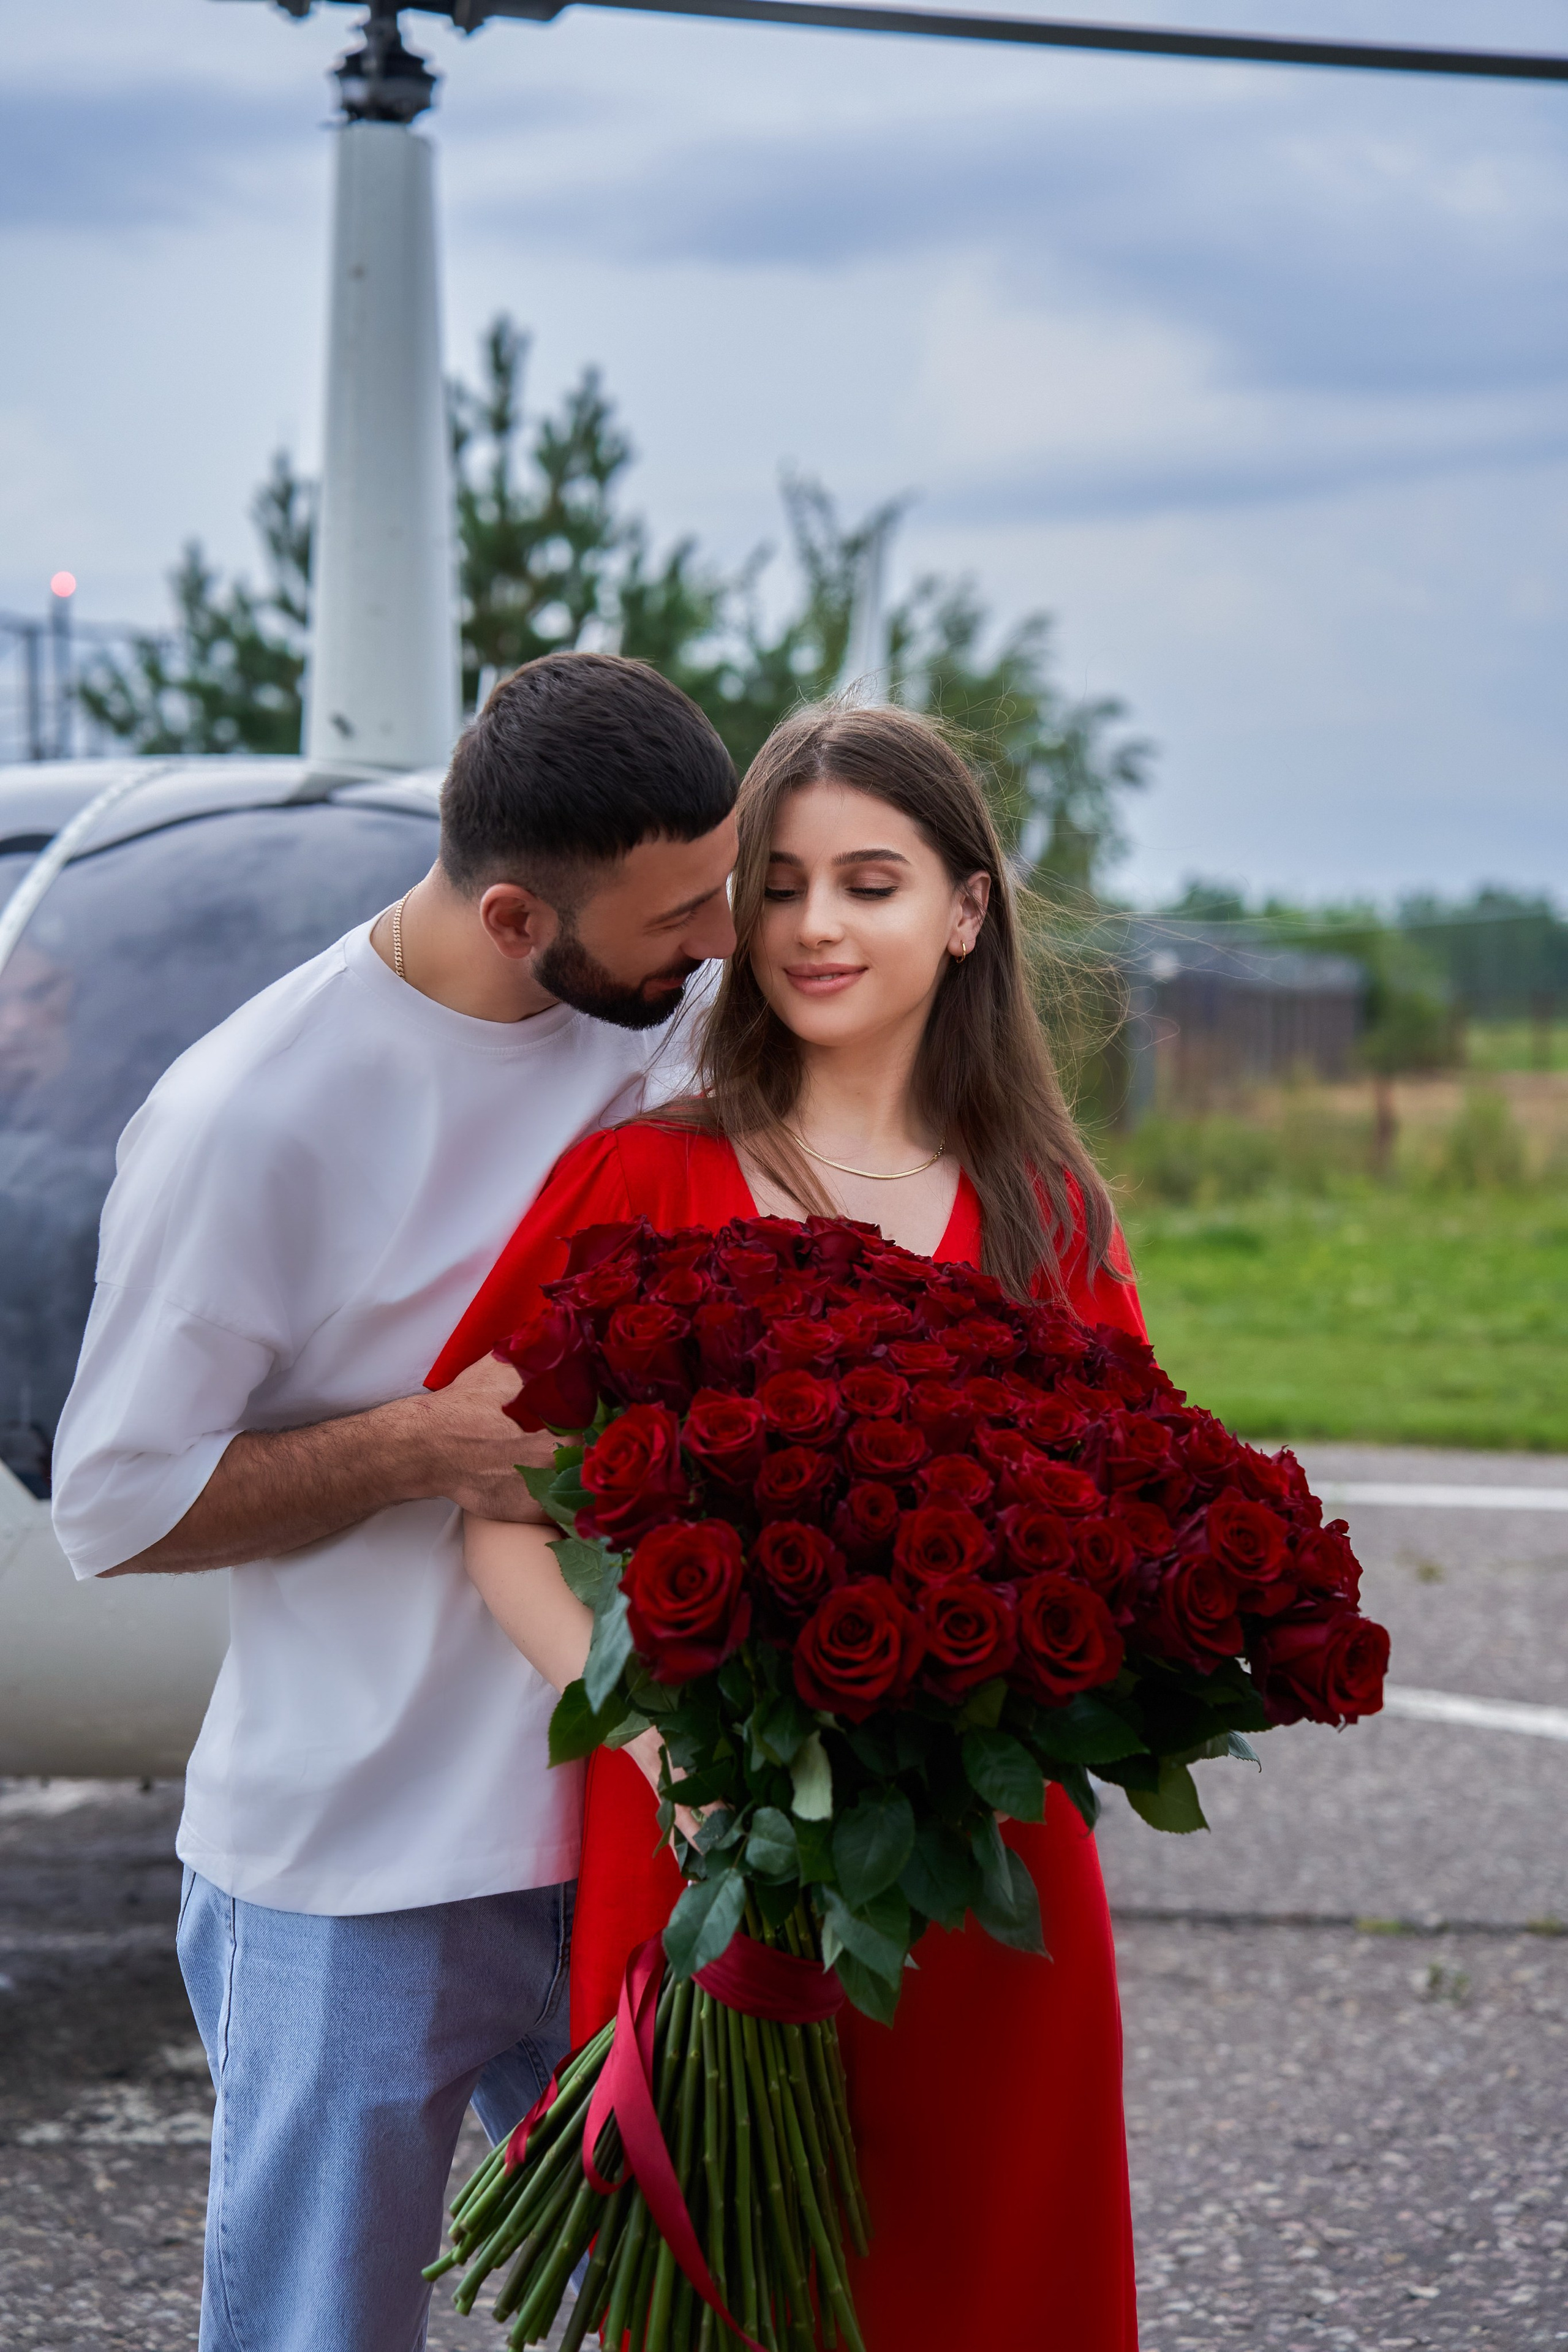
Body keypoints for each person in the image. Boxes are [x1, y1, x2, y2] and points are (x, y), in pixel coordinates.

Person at [428, 701, 1144, 2350]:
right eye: (780, 887)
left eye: (871, 885)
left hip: (977, 1871)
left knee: (989, 2289)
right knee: (728, 2296)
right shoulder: (642, 1181)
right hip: (697, 1842)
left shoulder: (1047, 1209)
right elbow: (493, 1513)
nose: (818, 925)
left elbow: (1125, 1534)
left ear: (966, 912)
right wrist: (658, 1749)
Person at [48, 651, 739, 2352]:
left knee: (700, 2314)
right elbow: (113, 1506)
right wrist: (416, 1446)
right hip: (354, 1865)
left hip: (632, 1828)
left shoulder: (673, 1011)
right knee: (319, 2330)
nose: (723, 940)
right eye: (680, 916)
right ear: (515, 918)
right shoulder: (246, 1119)